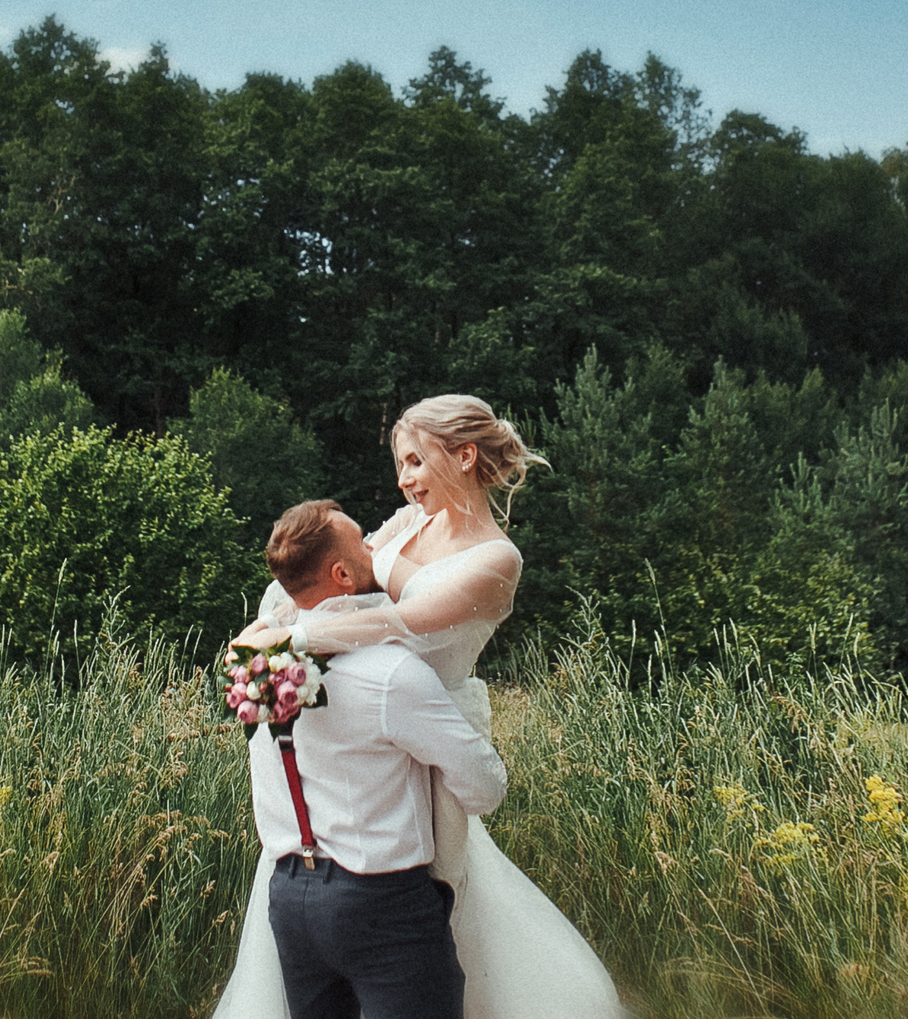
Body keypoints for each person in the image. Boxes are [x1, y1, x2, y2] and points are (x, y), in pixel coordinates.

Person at [211, 396, 625, 1019]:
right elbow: (330, 575)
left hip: (431, 734)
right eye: (399, 464)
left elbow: (403, 621)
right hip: (367, 730)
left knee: (442, 899)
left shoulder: (496, 558)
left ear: (462, 456)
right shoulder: (410, 523)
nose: (403, 480)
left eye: (413, 462)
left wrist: (293, 640)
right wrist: (265, 632)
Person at [243, 499, 508, 1019]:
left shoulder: (259, 670)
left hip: (290, 898)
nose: (375, 549)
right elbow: (484, 789)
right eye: (364, 542)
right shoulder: (391, 672)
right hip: (383, 905)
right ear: (341, 574)